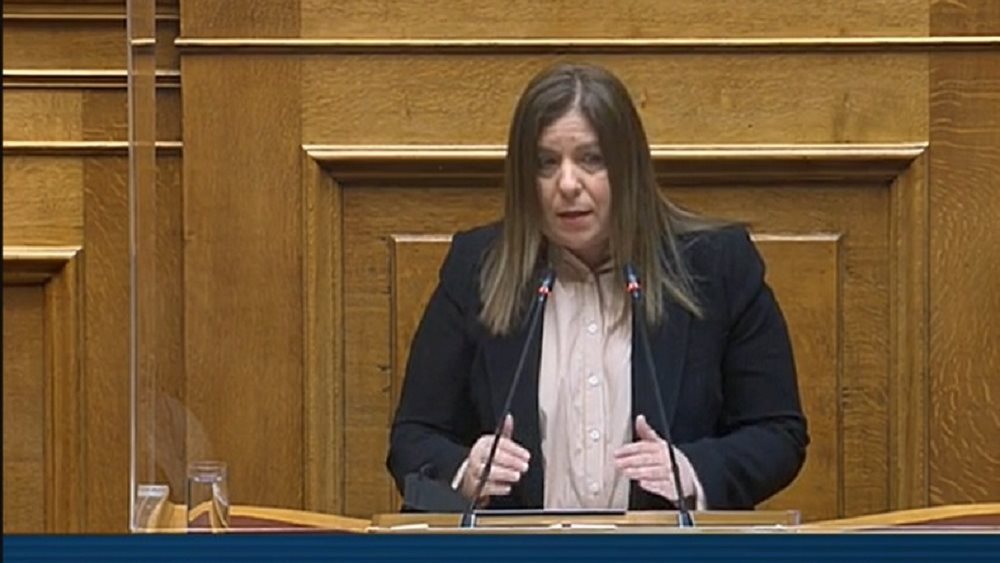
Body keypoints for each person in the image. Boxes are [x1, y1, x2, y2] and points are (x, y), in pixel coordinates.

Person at [386, 62, 808, 511]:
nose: (568, 184)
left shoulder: (716, 265)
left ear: (629, 167)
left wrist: (693, 472)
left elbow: (778, 433)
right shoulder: (477, 268)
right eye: (547, 163)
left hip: (662, 544)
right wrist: (464, 474)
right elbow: (413, 439)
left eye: (592, 159)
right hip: (519, 545)